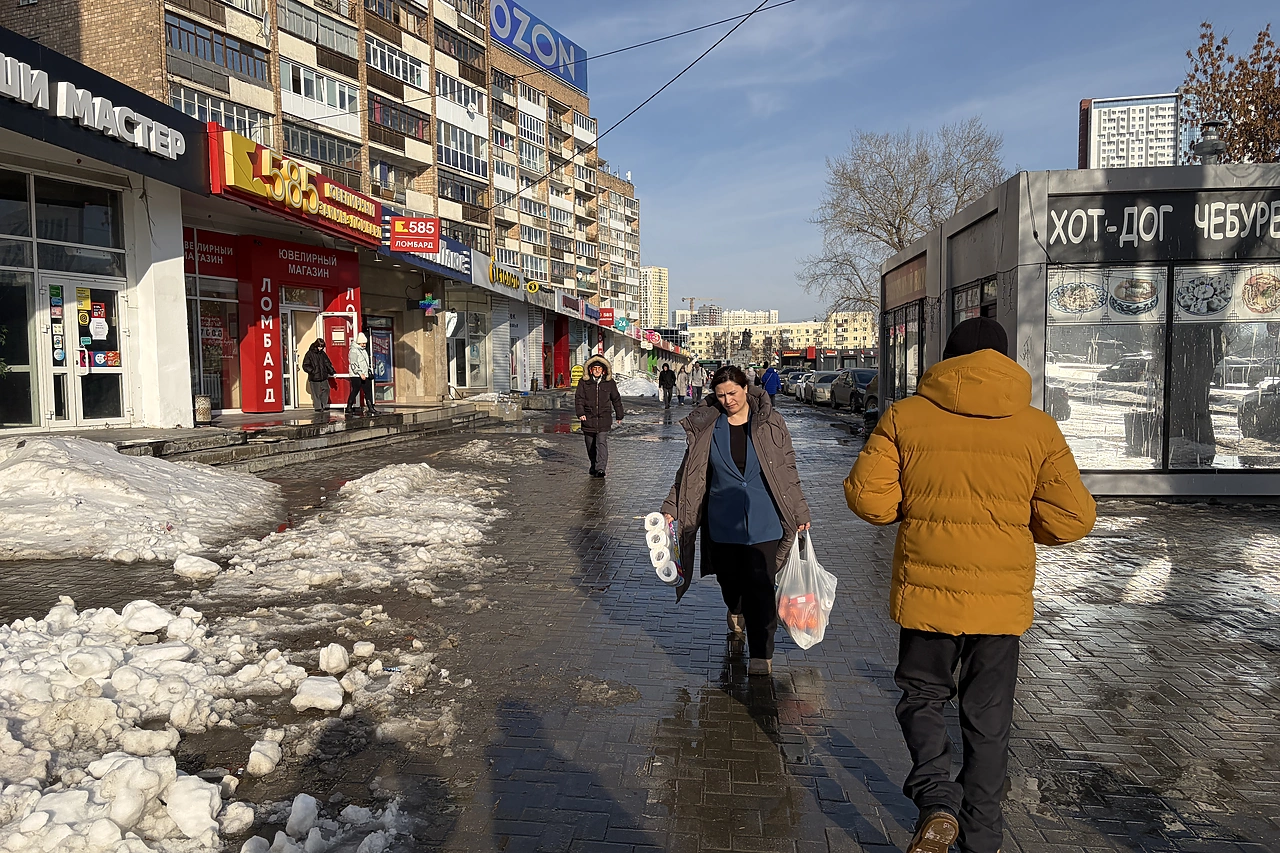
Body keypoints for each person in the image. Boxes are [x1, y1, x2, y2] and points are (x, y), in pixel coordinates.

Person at [844, 317, 1095, 853]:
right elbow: (1073, 518)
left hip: (927, 599)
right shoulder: (1037, 428)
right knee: (989, 722)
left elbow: (870, 500)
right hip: (999, 608)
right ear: (1005, 361)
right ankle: (981, 838)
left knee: (922, 697)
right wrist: (1020, 523)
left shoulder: (906, 417)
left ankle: (937, 799)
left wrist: (909, 507)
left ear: (947, 358)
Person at [662, 365, 811, 677]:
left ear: (746, 388)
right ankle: (736, 609)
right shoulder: (708, 428)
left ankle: (761, 652)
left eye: (732, 392)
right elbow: (687, 475)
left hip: (765, 520)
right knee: (729, 581)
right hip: (723, 520)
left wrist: (800, 513)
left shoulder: (770, 423)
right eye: (721, 395)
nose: (728, 399)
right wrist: (671, 507)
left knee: (761, 585)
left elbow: (788, 470)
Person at [575, 354, 624, 477]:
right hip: (588, 418)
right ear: (590, 370)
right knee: (590, 444)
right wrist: (580, 413)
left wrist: (619, 414)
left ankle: (601, 468)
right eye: (595, 368)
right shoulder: (584, 382)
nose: (597, 371)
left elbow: (616, 399)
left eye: (599, 368)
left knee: (601, 442)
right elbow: (579, 398)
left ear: (604, 370)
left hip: (604, 418)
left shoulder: (609, 383)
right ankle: (594, 464)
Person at [345, 332, 378, 416]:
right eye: (362, 343)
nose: (364, 345)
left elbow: (365, 363)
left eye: (365, 343)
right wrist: (360, 373)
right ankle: (349, 406)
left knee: (368, 391)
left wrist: (368, 370)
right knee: (355, 390)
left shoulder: (363, 351)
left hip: (365, 373)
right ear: (358, 343)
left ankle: (371, 407)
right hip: (356, 375)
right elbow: (353, 363)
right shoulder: (353, 351)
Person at [301, 338, 336, 416]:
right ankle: (318, 407)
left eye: (322, 347)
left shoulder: (322, 354)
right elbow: (305, 365)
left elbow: (327, 363)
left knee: (326, 389)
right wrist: (312, 371)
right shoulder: (309, 354)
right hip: (314, 377)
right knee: (315, 393)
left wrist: (332, 371)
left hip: (323, 375)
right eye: (319, 347)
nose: (320, 348)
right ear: (316, 345)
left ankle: (322, 404)